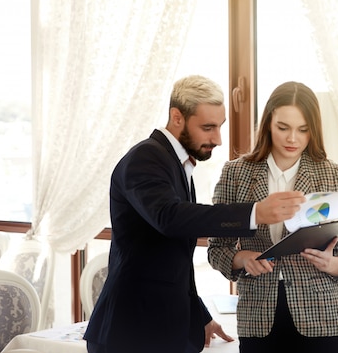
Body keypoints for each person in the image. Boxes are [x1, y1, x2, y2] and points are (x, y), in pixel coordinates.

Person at [83, 75, 306, 353]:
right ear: (177, 117)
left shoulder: (176, 164)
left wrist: (198, 315)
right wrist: (254, 213)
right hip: (134, 331)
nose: (218, 139)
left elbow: (171, 262)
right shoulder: (145, 159)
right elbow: (171, 218)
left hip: (162, 330)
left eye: (220, 126)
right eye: (208, 127)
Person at [207, 81, 338, 353]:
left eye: (303, 130)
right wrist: (242, 259)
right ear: (267, 124)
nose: (292, 139)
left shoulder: (331, 174)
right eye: (283, 128)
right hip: (258, 319)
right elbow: (217, 249)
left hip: (323, 319)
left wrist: (330, 263)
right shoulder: (235, 174)